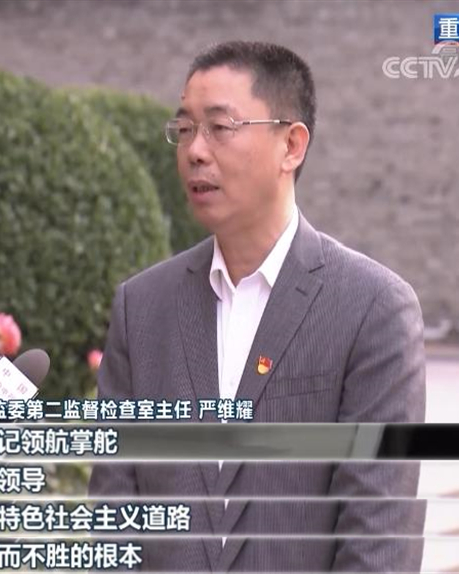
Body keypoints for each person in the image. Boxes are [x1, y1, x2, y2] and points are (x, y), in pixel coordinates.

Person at [89, 40, 426, 572]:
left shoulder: (373, 309)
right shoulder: (143, 307)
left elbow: (379, 539)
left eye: (220, 127)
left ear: (291, 145)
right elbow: (113, 524)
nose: (195, 151)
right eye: (184, 129)